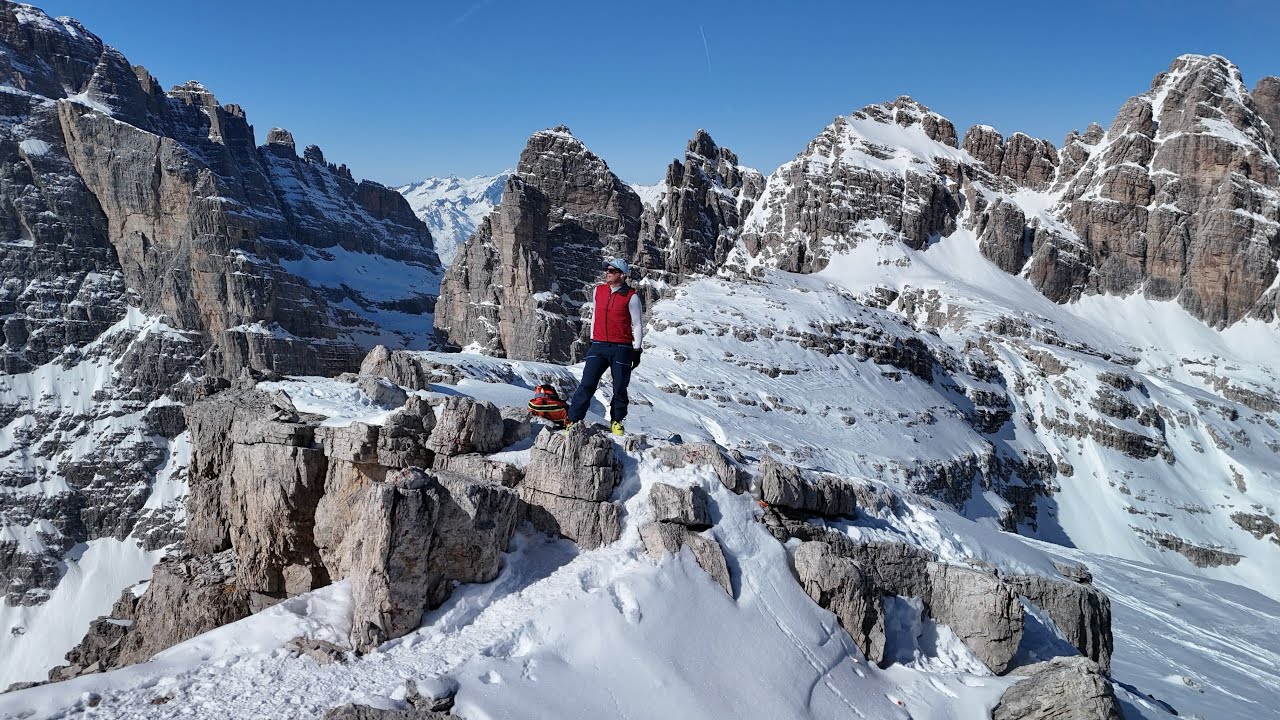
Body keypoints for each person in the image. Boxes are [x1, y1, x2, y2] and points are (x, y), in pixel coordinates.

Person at [566, 258, 643, 435]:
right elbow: (594, 316)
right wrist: (592, 339)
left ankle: (616, 421)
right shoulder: (598, 291)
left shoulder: (631, 296)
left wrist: (637, 350)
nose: (607, 272)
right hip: (598, 346)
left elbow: (637, 324)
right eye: (607, 270)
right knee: (586, 384)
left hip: (622, 348)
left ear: (622, 275)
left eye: (612, 271)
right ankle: (573, 421)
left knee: (620, 388)